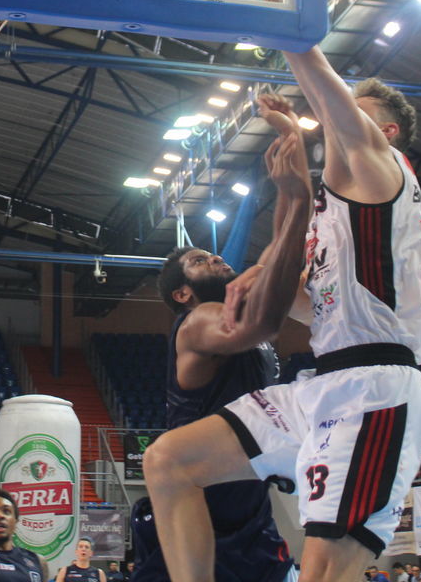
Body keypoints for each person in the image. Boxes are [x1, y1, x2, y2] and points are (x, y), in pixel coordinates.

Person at [145, 0, 421, 577]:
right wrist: (265, 274)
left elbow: (307, 57)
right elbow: (311, 304)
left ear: (385, 129)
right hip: (320, 384)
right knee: (169, 461)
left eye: (352, 109)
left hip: (375, 392)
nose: (335, 116)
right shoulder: (341, 201)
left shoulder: (379, 163)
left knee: (321, 572)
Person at [131, 95, 309, 582]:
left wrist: (292, 178)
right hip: (197, 506)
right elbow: (263, 323)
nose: (213, 258)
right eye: (198, 260)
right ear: (183, 292)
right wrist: (298, 202)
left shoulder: (229, 303)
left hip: (248, 509)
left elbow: (277, 251)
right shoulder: (199, 321)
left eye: (211, 254)